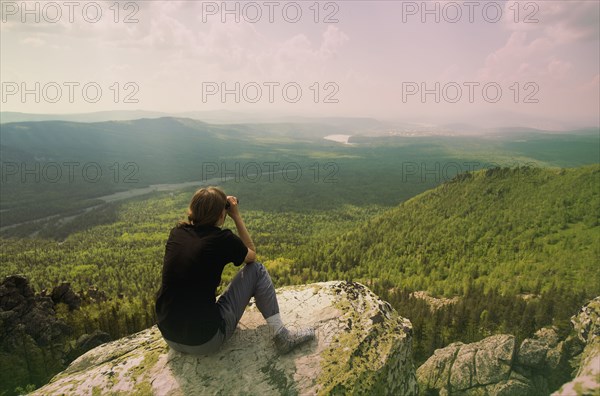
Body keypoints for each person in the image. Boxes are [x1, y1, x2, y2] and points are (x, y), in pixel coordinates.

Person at [155, 186, 315, 355]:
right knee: (257, 269)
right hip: (206, 340)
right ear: (221, 215)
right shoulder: (222, 239)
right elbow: (251, 256)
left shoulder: (177, 233)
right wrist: (236, 215)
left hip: (170, 336)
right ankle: (282, 337)